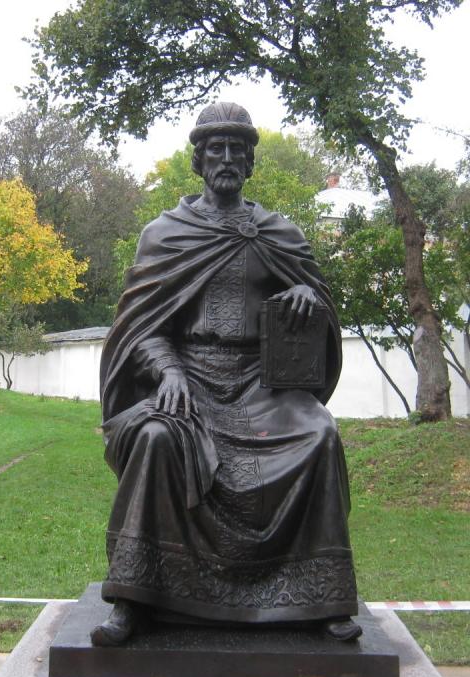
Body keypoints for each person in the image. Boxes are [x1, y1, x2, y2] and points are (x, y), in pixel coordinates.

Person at [91, 102, 362, 646]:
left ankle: (320, 596)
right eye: (217, 148)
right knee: (156, 436)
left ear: (251, 162)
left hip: (262, 386)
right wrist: (168, 372)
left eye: (238, 149)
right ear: (199, 160)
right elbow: (140, 326)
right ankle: (134, 597)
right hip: (187, 377)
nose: (228, 158)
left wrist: (308, 297)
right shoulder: (165, 234)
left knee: (320, 433)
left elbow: (319, 312)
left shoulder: (280, 234)